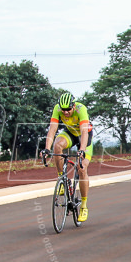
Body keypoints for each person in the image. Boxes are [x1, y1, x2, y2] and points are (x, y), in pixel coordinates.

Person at [44, 92, 93, 223]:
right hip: (70, 133)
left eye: (68, 109)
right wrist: (46, 149)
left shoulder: (81, 109)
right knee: (57, 146)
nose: (65, 112)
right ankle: (61, 178)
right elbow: (52, 129)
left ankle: (83, 205)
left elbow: (83, 132)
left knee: (81, 168)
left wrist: (82, 150)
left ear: (73, 106)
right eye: (63, 110)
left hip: (84, 136)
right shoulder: (57, 109)